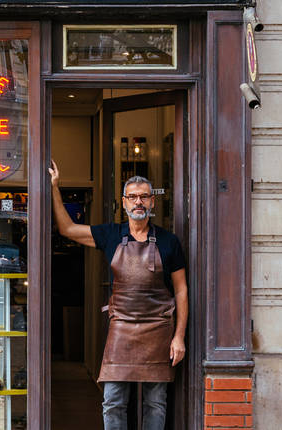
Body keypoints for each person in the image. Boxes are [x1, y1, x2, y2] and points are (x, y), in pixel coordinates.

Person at [49, 160, 188, 430]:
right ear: (124, 202)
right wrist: (55, 188)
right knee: (112, 401)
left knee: (155, 403)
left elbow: (181, 290)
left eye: (144, 196)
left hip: (159, 329)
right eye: (133, 197)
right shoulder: (111, 234)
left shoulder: (169, 241)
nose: (139, 202)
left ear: (152, 203)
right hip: (121, 327)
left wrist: (179, 336)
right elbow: (67, 229)